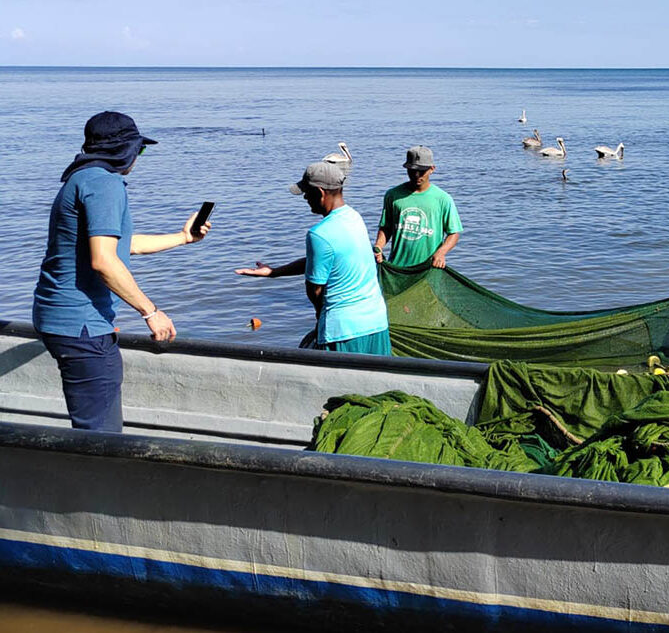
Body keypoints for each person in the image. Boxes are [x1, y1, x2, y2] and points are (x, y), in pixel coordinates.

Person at [32, 111, 211, 432]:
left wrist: (183, 237)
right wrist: (151, 312)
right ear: (123, 149)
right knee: (100, 435)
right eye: (139, 149)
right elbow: (104, 261)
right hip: (83, 327)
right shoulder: (105, 184)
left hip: (56, 318)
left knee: (93, 425)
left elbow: (123, 246)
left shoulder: (81, 178)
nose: (138, 157)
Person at [235, 162, 390, 355]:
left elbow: (314, 291)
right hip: (376, 322)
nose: (305, 198)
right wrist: (273, 272)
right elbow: (326, 260)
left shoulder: (319, 234)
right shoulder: (354, 218)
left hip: (342, 331)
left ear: (320, 192)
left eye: (307, 192)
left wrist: (320, 320)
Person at [374, 145, 462, 268]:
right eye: (412, 170)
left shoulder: (443, 199)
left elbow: (454, 233)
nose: (416, 175)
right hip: (398, 268)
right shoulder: (393, 195)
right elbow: (386, 227)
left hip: (428, 268)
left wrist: (441, 253)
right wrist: (378, 246)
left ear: (432, 169)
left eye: (421, 171)